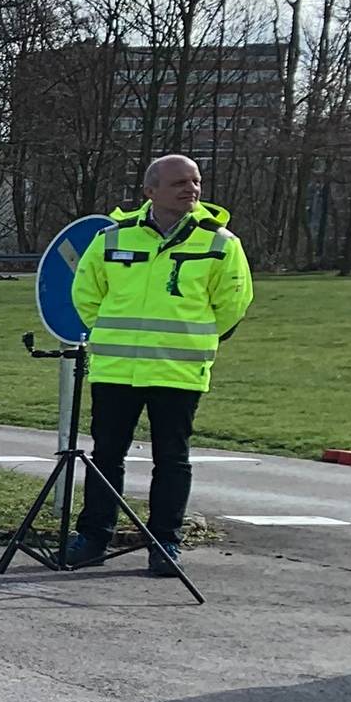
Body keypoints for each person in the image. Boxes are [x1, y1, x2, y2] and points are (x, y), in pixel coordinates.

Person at [62, 154, 255, 575]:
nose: (192, 189)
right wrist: (113, 334)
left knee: (172, 459)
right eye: (180, 183)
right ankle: (93, 537)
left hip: (178, 371)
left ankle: (165, 542)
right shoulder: (113, 238)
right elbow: (86, 295)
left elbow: (232, 305)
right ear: (150, 192)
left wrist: (192, 339)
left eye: (196, 181)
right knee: (106, 456)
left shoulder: (220, 242)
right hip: (117, 370)